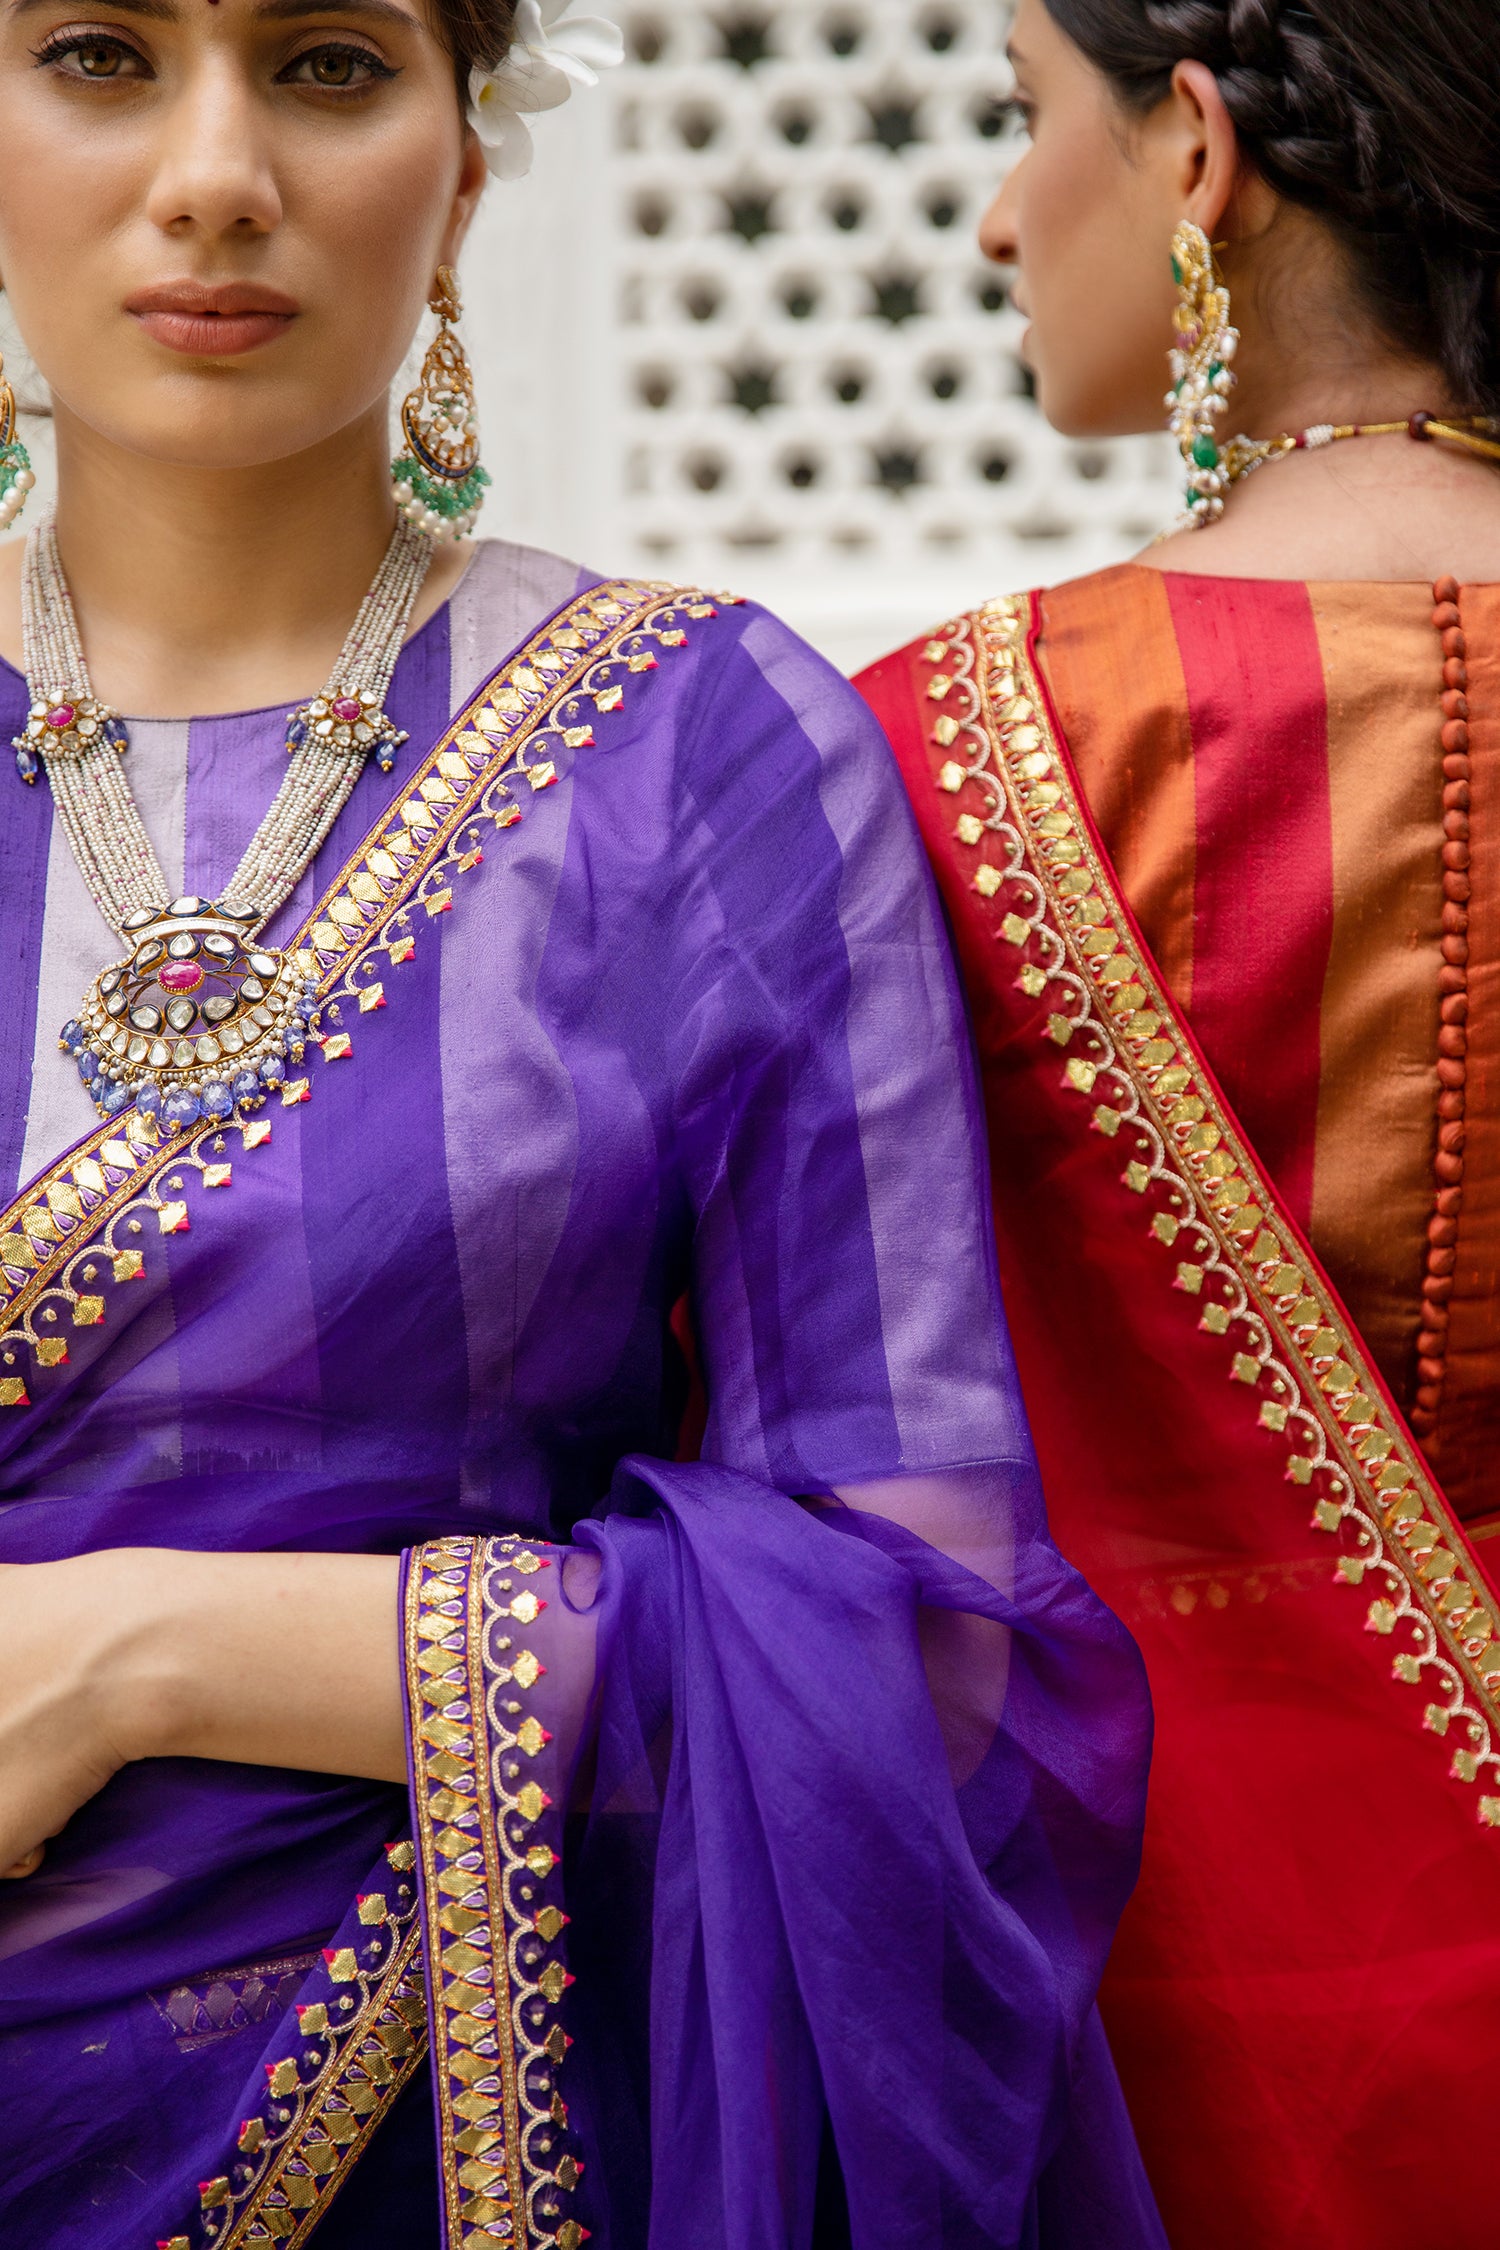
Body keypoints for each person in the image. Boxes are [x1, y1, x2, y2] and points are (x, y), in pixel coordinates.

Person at [0, 0, 1164, 2242]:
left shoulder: (698, 759)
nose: (219, 173)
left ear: (467, 152)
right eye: (100, 54)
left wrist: (134, 1648)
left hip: (457, 2145)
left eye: (330, 62)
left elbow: (921, 1665)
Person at [857, 2, 1500, 2244]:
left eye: (1029, 119)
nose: (1000, 212)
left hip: (1161, 2061)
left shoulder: (940, 756)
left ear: (1202, 153)